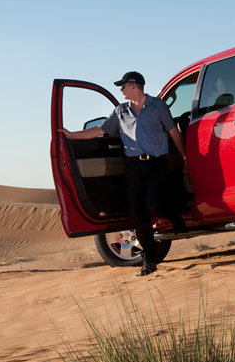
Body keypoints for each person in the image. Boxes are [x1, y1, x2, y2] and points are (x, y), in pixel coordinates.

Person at [64, 70, 187, 276]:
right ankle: (149, 260)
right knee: (138, 213)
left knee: (152, 203)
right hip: (133, 166)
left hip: (157, 164)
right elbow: (100, 131)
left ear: (134, 86)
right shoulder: (120, 111)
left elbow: (173, 131)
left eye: (123, 86)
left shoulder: (158, 106)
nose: (121, 89)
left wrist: (184, 157)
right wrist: (71, 136)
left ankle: (173, 214)